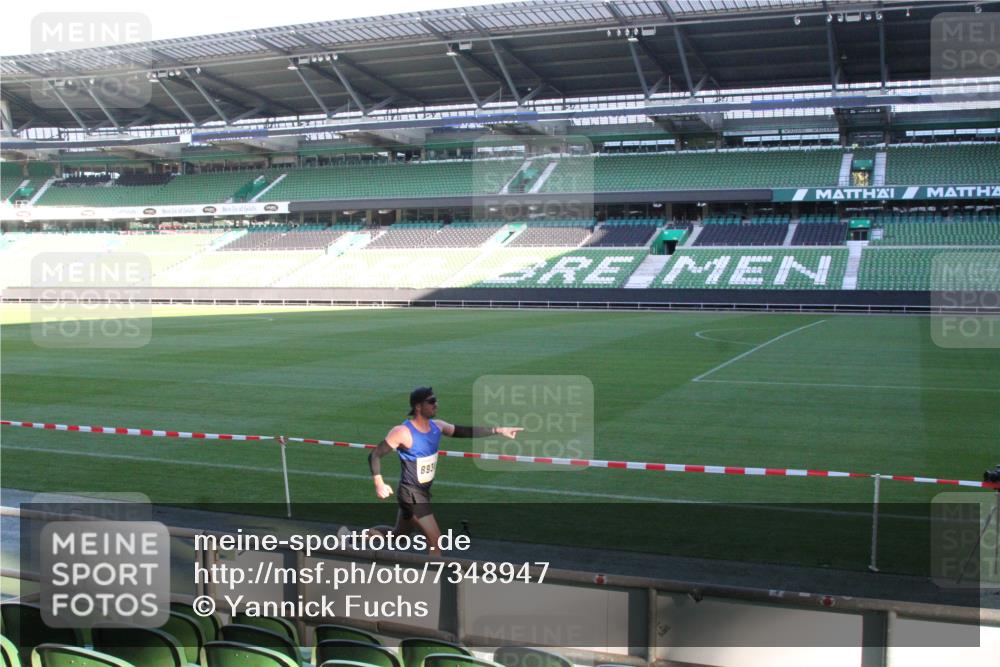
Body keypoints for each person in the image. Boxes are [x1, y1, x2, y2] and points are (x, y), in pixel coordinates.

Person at [365, 386, 522, 554]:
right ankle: (434, 571)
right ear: (418, 406)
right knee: (435, 541)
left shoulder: (437, 426)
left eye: (436, 400)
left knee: (399, 535)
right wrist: (379, 484)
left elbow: (465, 431)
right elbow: (374, 455)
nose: (436, 404)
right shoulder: (402, 432)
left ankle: (355, 538)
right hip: (411, 495)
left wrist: (498, 430)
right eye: (431, 401)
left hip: (423, 492)